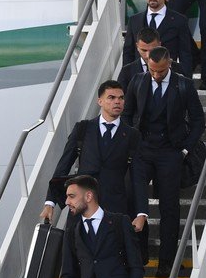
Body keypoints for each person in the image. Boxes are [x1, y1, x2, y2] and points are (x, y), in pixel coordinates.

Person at [121, 46, 204, 277]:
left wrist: (184, 150)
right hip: (142, 150)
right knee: (134, 201)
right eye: (152, 70)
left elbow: (199, 121)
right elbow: (127, 113)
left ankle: (166, 262)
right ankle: (140, 254)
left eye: (161, 71)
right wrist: (131, 141)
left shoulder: (184, 85)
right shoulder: (138, 81)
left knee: (169, 207)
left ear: (169, 64)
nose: (156, 75)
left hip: (170, 152)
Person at [40, 80, 148, 234]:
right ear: (100, 101)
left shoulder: (132, 135)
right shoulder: (83, 129)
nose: (117, 101)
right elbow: (63, 166)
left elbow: (138, 177)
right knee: (76, 246)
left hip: (114, 207)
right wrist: (50, 202)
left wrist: (141, 213)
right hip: (81, 205)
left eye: (121, 98)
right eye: (111, 97)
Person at [60, 175, 143, 278]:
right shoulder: (72, 232)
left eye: (71, 196)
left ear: (88, 196)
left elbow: (136, 265)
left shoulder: (120, 222)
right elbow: (68, 274)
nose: (67, 202)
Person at [123, 0, 193, 77]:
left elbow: (186, 55)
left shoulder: (179, 21)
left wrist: (187, 80)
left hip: (168, 78)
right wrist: (127, 79)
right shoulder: (134, 21)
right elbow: (128, 53)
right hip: (139, 79)